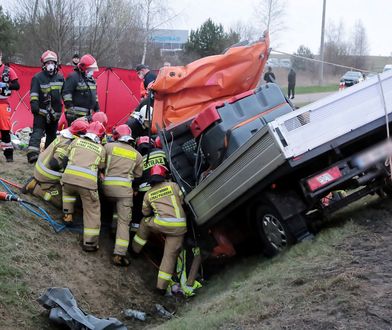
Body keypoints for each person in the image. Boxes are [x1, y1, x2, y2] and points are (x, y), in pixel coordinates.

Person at [132, 164, 187, 295]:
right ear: (164, 176)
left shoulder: (148, 194)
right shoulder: (174, 186)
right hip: (179, 227)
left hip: (161, 224)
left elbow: (145, 212)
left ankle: (134, 250)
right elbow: (182, 200)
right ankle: (161, 288)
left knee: (145, 222)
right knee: (169, 256)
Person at [21, 120, 89, 208]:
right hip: (48, 176)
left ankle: (36, 181)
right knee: (63, 203)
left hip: (40, 170)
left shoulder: (63, 137)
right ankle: (36, 188)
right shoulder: (68, 144)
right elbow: (55, 163)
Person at [102, 124, 143, 266]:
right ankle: (119, 254)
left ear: (116, 136)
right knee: (124, 222)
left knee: (107, 207)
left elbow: (100, 165)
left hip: (106, 188)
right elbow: (138, 176)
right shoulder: (137, 155)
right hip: (125, 192)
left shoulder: (108, 147)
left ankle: (109, 229)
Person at [61, 121, 106, 252]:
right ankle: (89, 243)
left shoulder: (75, 142)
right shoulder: (101, 149)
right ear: (100, 136)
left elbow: (65, 159)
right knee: (92, 211)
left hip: (68, 179)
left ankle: (67, 215)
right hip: (87, 185)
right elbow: (101, 167)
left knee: (68, 194)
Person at [27, 50, 65, 164]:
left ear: (56, 64)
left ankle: (47, 156)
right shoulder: (37, 78)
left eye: (52, 62)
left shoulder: (60, 78)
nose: (50, 65)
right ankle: (32, 154)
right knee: (37, 132)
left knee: (51, 135)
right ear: (44, 65)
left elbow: (64, 93)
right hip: (41, 112)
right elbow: (34, 93)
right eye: (47, 63)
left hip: (55, 113)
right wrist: (34, 104)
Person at [133, 136, 167, 224]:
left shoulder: (138, 159)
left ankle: (136, 231)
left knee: (138, 214)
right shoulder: (162, 153)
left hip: (143, 193)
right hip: (163, 188)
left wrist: (135, 187)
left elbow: (136, 177)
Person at [62, 54, 100, 126]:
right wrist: (70, 107)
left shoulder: (92, 80)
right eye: (90, 69)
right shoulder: (73, 77)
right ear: (83, 68)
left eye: (92, 70)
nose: (92, 72)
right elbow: (66, 93)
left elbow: (95, 96)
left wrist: (97, 110)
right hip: (74, 116)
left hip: (87, 116)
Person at [0, 49, 20, 162]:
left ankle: (9, 156)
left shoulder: (8, 70)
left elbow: (17, 86)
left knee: (5, 128)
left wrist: (5, 85)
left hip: (3, 102)